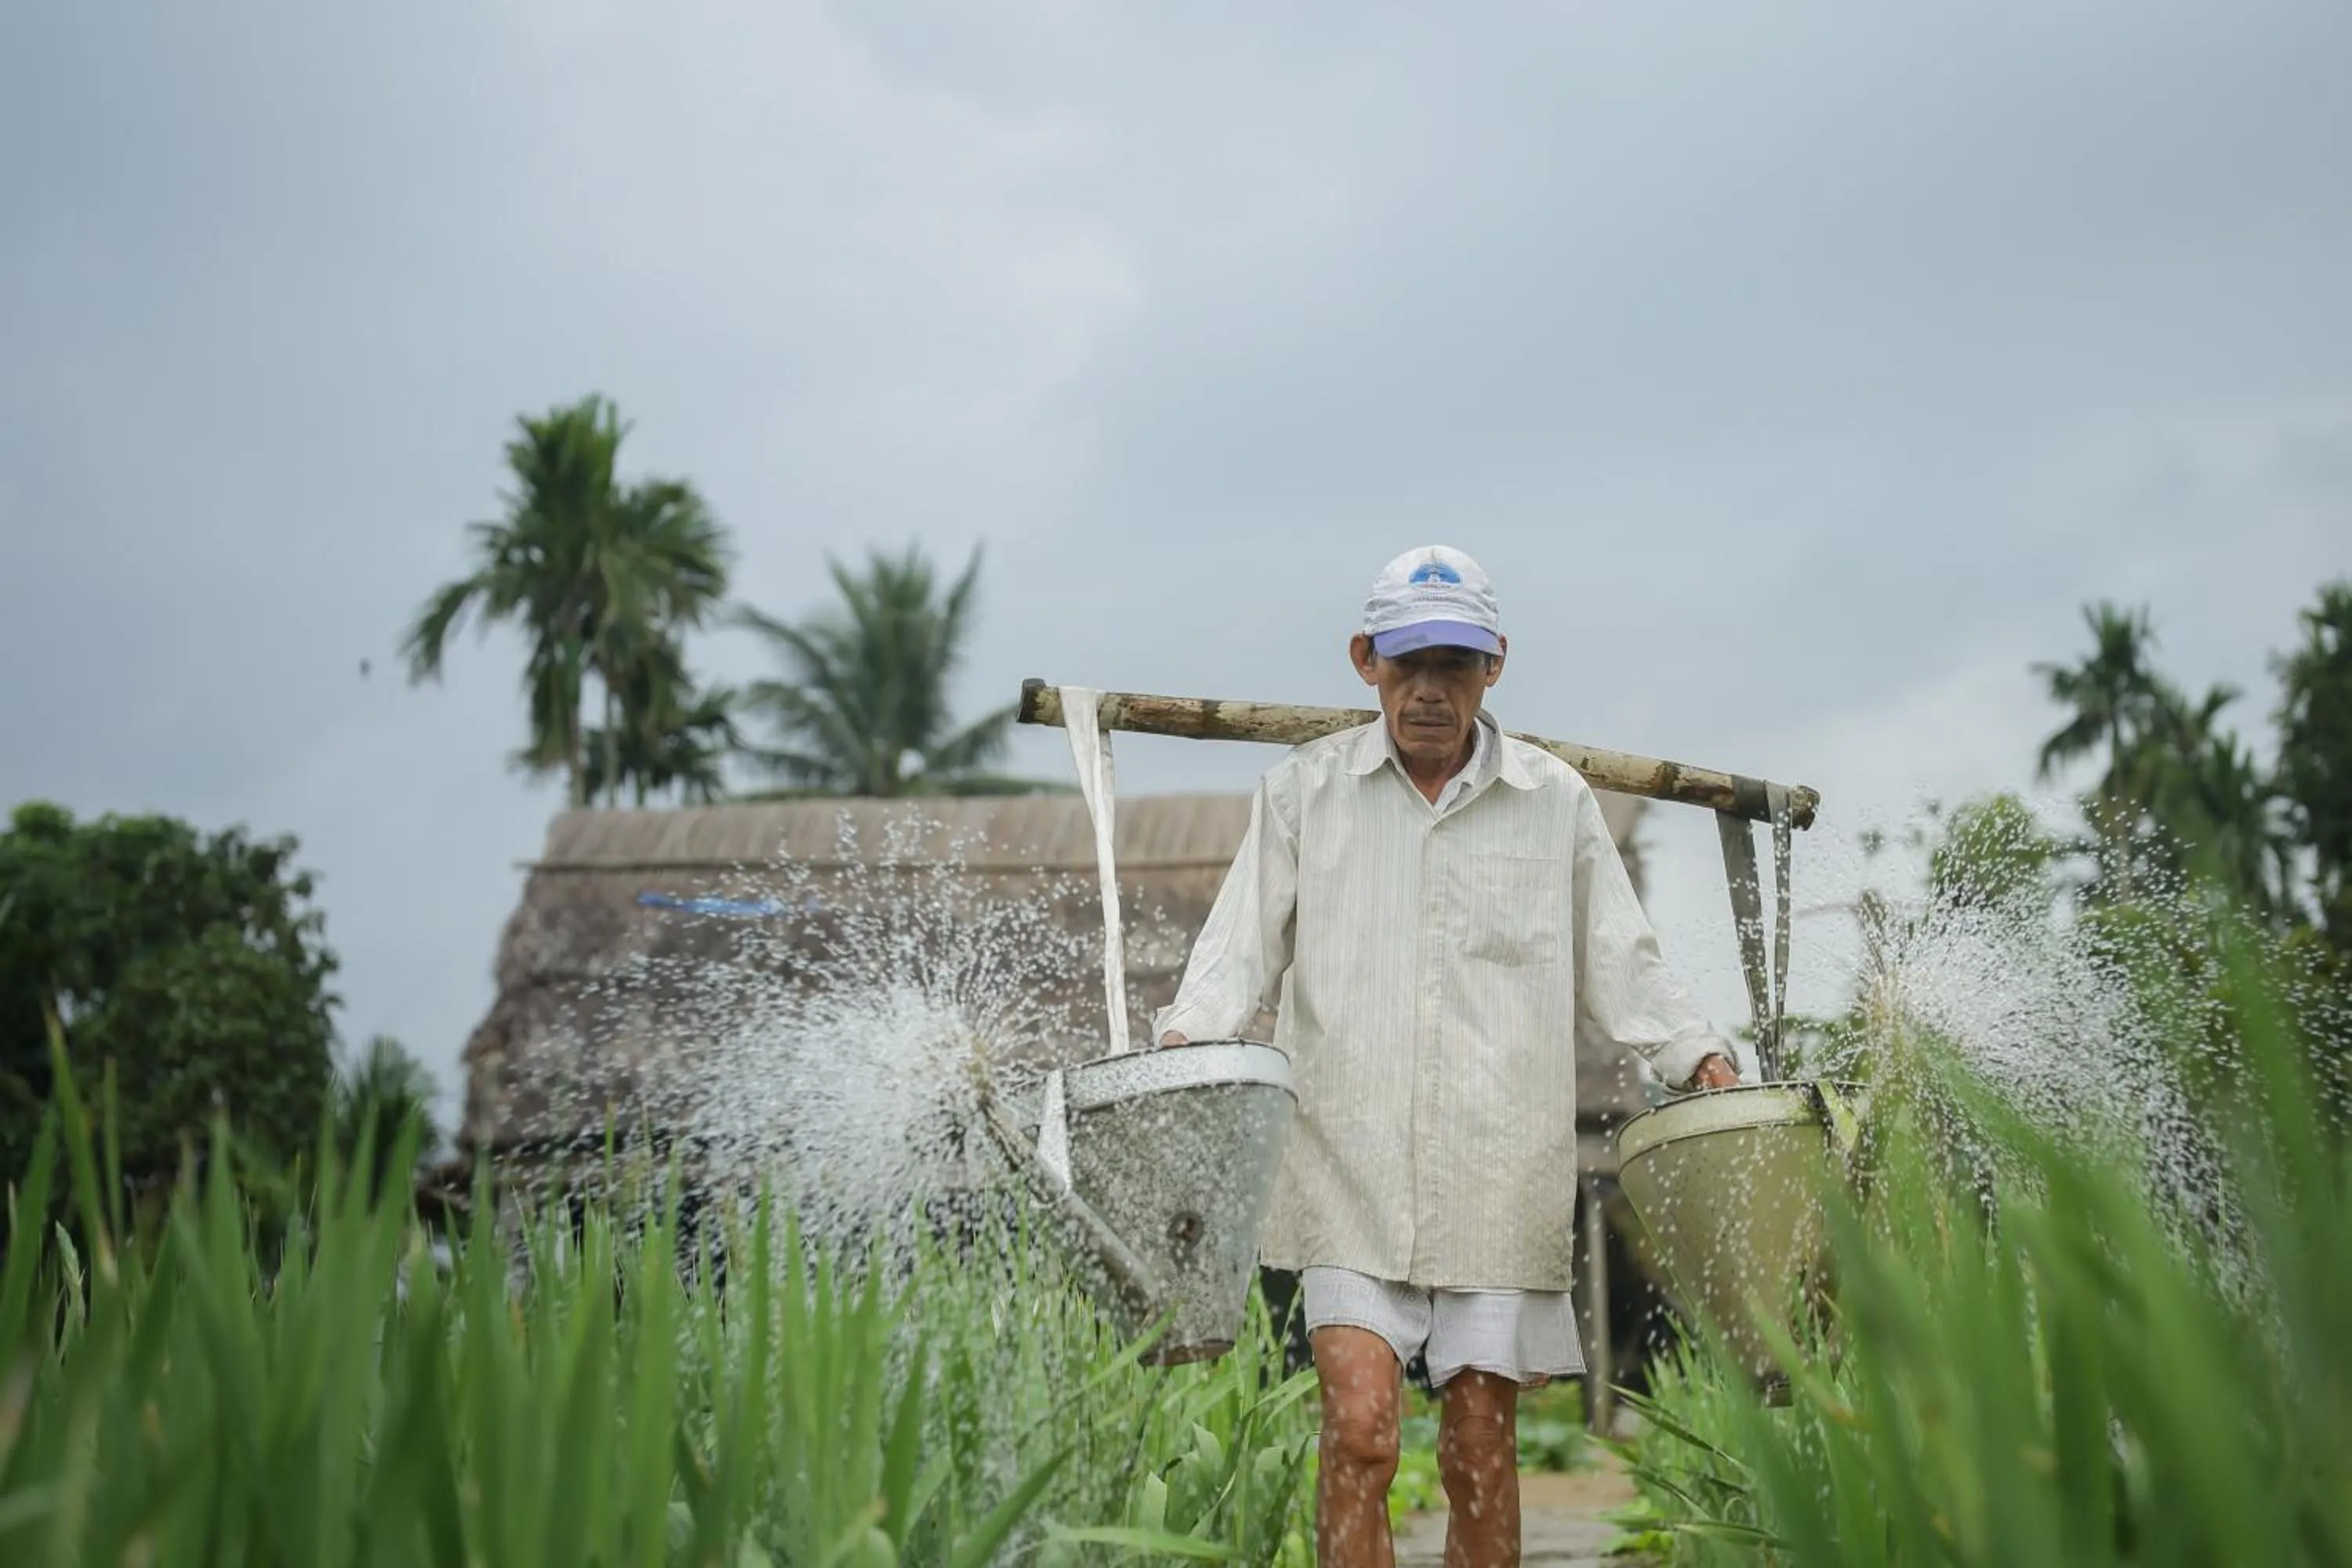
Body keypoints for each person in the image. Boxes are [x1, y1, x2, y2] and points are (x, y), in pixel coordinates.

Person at [1152, 544, 1741, 1568]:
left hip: (1499, 1167)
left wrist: (1697, 1056)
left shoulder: (1553, 802)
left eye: (1455, 667)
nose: (1429, 690)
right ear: (1364, 659)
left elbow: (1622, 956)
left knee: (1478, 1444)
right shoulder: (1302, 793)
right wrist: (1186, 1038)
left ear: (1495, 667)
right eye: (1407, 663)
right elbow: (1237, 948)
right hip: (1346, 1161)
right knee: (1361, 1432)